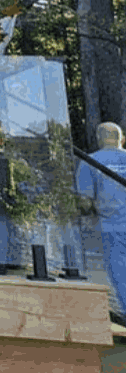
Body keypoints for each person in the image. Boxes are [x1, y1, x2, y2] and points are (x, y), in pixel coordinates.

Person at [77, 121, 126, 320]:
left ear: (99, 139)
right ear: (120, 139)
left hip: (111, 227)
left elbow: (85, 202)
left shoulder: (90, 161)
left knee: (121, 273)